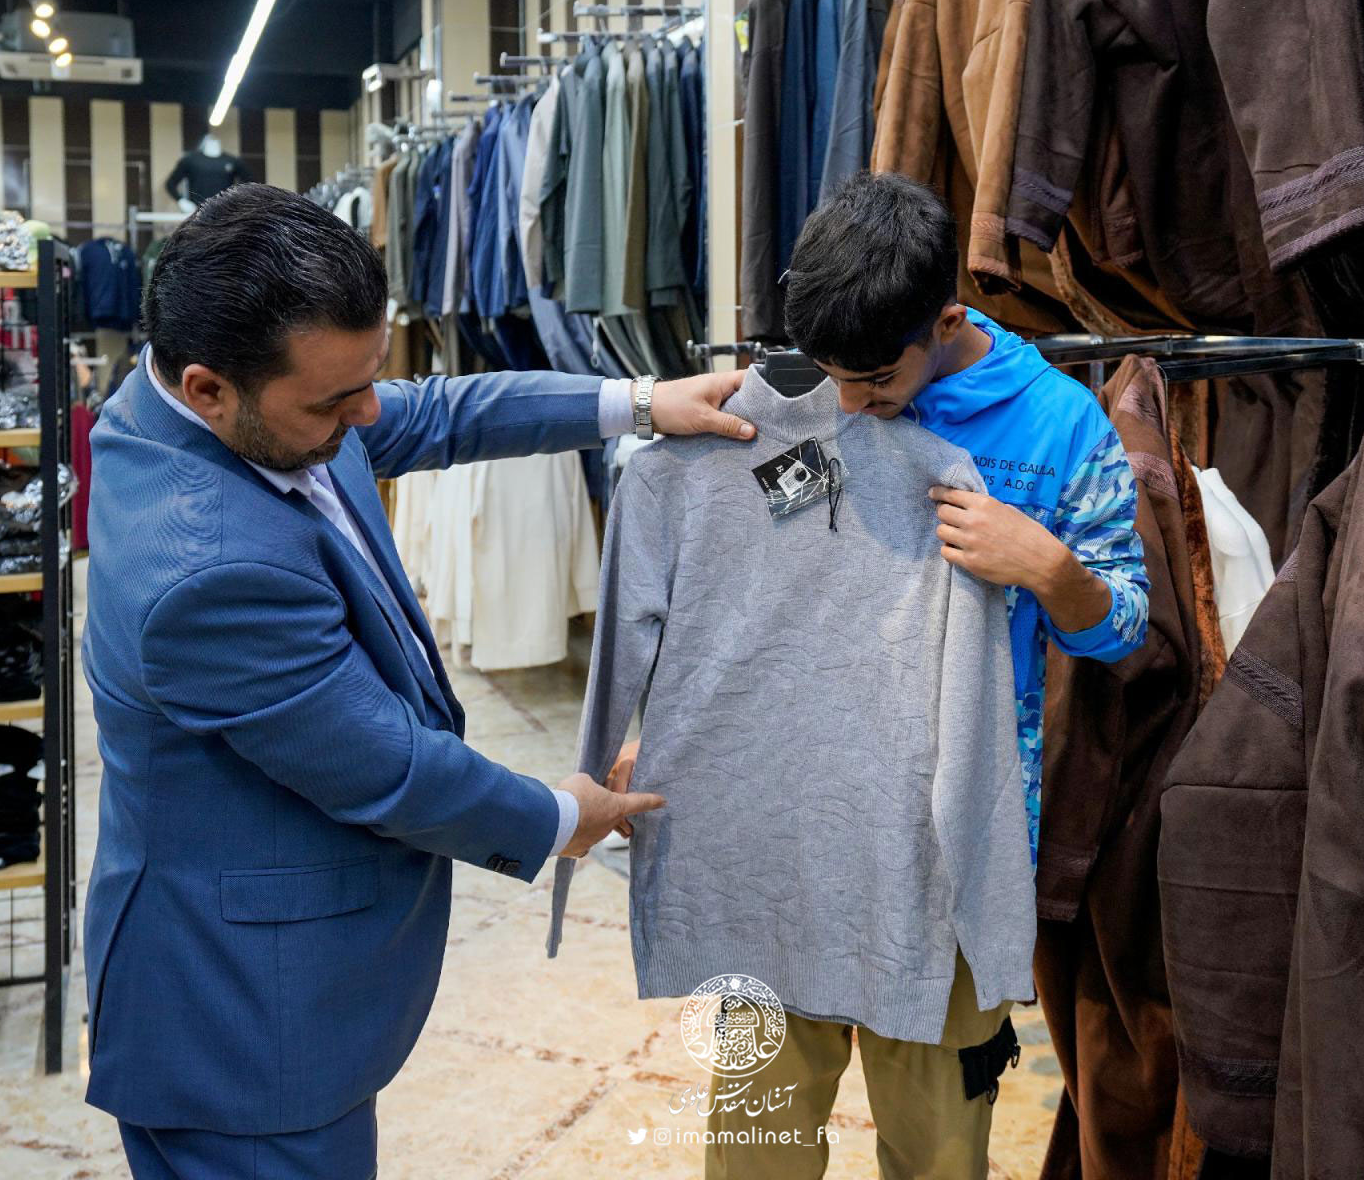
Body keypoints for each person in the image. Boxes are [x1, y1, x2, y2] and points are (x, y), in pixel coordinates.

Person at [80, 183, 755, 1178]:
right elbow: (388, 768)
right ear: (209, 388)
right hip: (239, 1021)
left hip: (263, 979)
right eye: (334, 403)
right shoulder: (206, 568)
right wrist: (558, 815)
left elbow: (437, 412)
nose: (364, 415)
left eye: (367, 382)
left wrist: (642, 403)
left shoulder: (220, 412)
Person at [609, 171, 1150, 1178]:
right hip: (791, 831)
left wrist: (1048, 569)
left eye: (871, 380)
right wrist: (677, 739)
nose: (850, 403)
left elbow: (1125, 628)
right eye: (832, 378)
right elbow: (760, 577)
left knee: (937, 1148)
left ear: (946, 319)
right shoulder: (813, 391)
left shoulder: (1057, 426)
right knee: (759, 1145)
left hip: (948, 850)